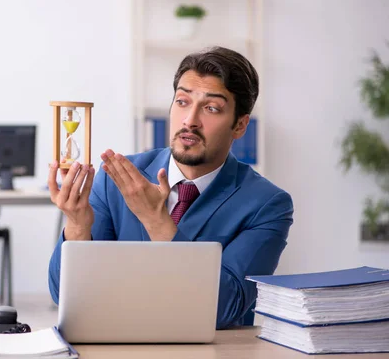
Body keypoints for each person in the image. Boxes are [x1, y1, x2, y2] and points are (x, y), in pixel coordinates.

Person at [46, 46, 294, 329]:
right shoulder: (115, 177)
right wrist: (77, 225)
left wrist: (157, 222)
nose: (190, 120)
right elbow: (65, 296)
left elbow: (225, 309)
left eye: (211, 108)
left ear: (239, 125)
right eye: (182, 101)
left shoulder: (267, 204)